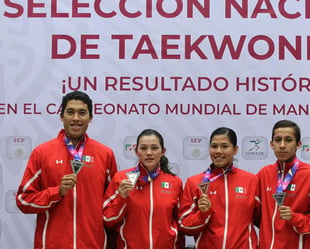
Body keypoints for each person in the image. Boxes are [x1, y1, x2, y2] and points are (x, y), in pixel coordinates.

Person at [16, 91, 118, 249]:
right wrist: (57, 192)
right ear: (61, 116)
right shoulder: (42, 153)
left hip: (93, 244)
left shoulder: (105, 154)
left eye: (82, 113)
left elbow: (112, 204)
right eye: (70, 112)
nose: (76, 118)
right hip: (53, 245)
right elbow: (23, 200)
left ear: (90, 118)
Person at [178, 127, 260, 249]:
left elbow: (263, 220)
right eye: (214, 146)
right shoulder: (194, 182)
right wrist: (203, 214)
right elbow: (184, 225)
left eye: (225, 146)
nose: (218, 151)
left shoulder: (251, 181)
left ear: (235, 149)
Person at [257, 119, 310, 249]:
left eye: (288, 140)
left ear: (298, 144)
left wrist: (295, 218)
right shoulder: (263, 174)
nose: (282, 145)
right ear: (271, 144)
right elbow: (254, 215)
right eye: (278, 140)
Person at [103, 129, 184, 249]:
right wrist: (121, 199)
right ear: (136, 152)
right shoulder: (121, 179)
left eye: (154, 148)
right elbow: (107, 220)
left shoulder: (174, 182)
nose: (149, 153)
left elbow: (181, 223)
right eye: (144, 148)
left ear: (163, 151)